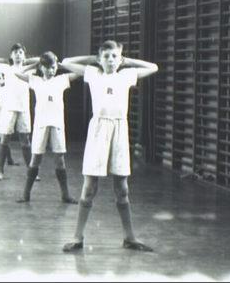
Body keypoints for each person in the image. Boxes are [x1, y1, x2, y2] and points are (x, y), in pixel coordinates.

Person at [60, 40, 159, 253]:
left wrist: (127, 60)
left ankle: (129, 238)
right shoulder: (93, 74)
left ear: (120, 59)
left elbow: (154, 67)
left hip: (120, 130)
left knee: (122, 189)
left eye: (115, 56)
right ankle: (77, 237)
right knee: (89, 187)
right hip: (98, 130)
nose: (111, 60)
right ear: (100, 59)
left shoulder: (126, 75)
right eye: (106, 56)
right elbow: (65, 62)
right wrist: (92, 59)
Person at [16, 51, 79, 203]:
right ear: (41, 68)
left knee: (60, 159)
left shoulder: (61, 80)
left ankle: (65, 194)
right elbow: (17, 72)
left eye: (53, 67)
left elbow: (79, 72)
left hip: (57, 124)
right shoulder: (35, 80)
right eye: (47, 67)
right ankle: (26, 194)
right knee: (36, 158)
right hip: (41, 124)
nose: (51, 70)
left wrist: (63, 64)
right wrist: (35, 63)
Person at [0, 44, 39, 179]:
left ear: (24, 55)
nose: (18, 55)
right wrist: (5, 60)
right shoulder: (6, 68)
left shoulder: (30, 70)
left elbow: (41, 60)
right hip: (8, 108)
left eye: (20, 52)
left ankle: (31, 172)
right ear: (11, 55)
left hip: (23, 109)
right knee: (4, 139)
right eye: (15, 52)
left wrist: (26, 61)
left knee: (25, 141)